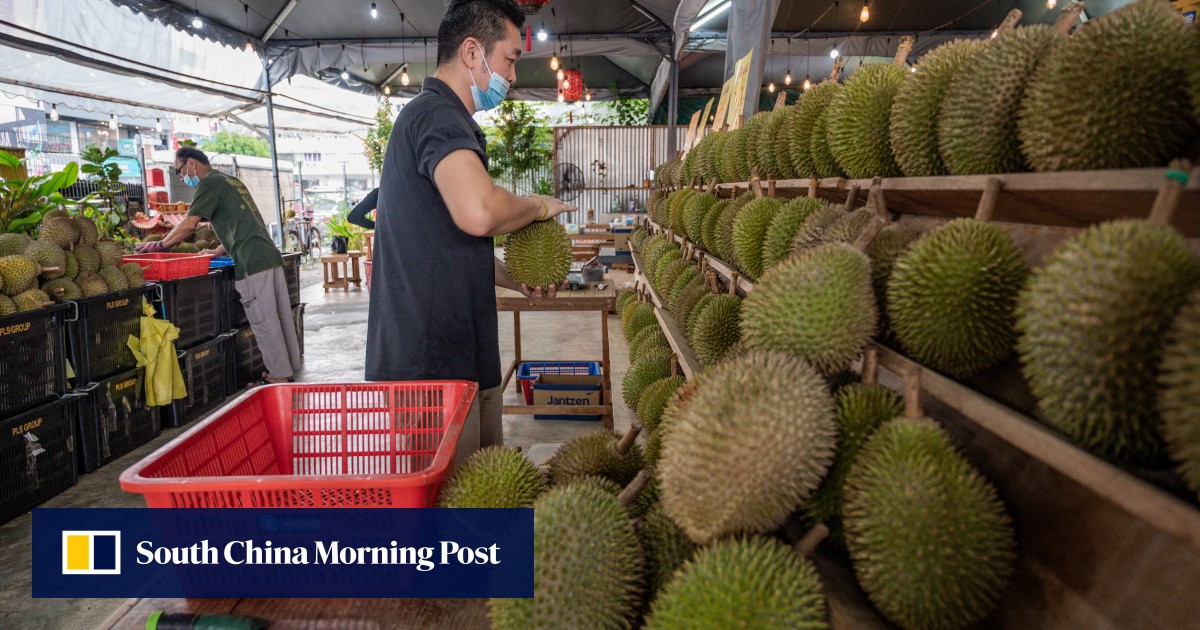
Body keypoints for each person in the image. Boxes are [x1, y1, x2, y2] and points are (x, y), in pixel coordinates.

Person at [366, 0, 575, 456]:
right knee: (454, 514)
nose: (513, 77)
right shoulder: (435, 116)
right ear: (472, 52)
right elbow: (480, 213)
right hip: (429, 367)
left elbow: (455, 245)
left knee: (479, 496)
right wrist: (538, 206)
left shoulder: (446, 120)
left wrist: (515, 279)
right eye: (510, 60)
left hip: (457, 353)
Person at [136, 147, 302, 386]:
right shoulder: (231, 181)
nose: (182, 178)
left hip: (252, 261)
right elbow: (241, 224)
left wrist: (161, 245)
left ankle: (279, 377)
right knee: (281, 317)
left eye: (179, 172)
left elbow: (189, 225)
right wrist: (217, 251)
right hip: (268, 256)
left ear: (191, 163)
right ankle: (288, 369)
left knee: (264, 321)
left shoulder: (208, 184)